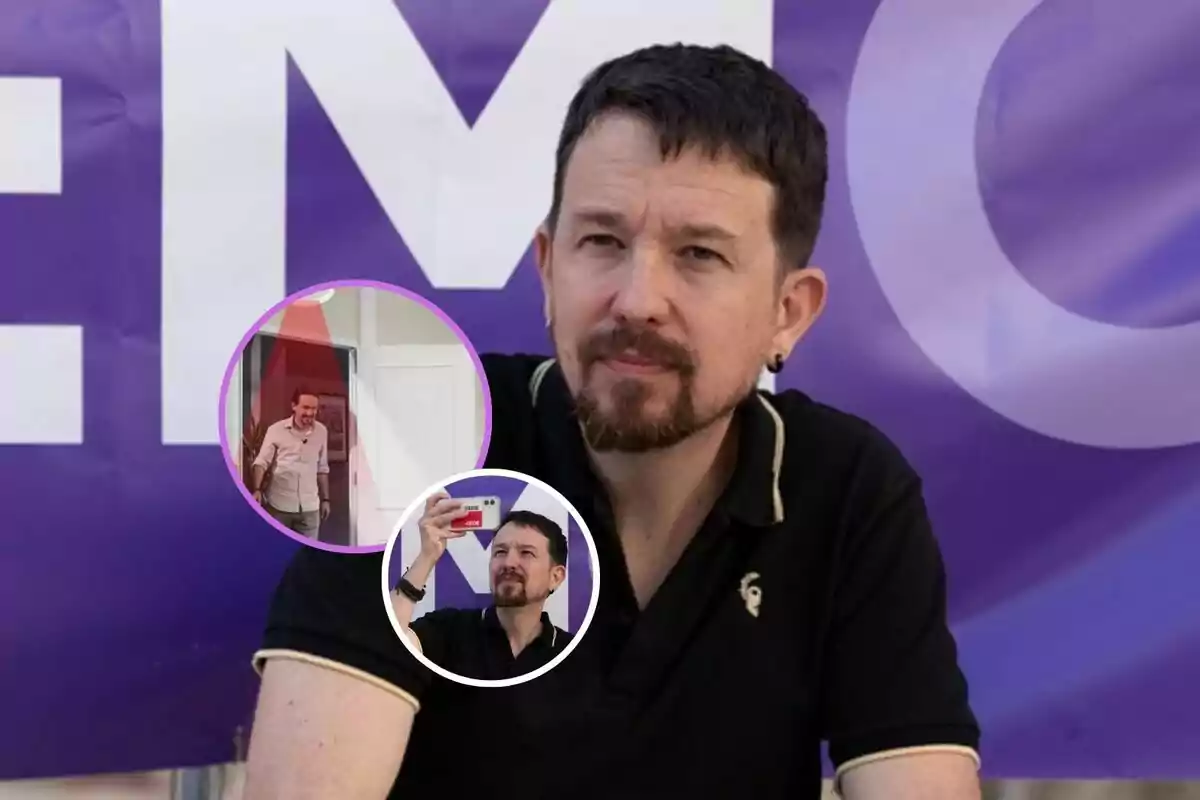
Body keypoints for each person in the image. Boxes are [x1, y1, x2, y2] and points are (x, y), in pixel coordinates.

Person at [244, 43, 982, 800]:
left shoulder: (849, 491)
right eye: (602, 241)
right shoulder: (416, 437)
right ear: (547, 267)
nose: (636, 299)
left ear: (786, 314)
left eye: (698, 254)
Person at [390, 495, 572, 680]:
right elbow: (385, 648)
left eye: (526, 553)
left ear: (555, 577)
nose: (509, 562)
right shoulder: (450, 630)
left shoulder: (575, 654)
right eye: (500, 552)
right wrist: (427, 556)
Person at [250, 387, 331, 539]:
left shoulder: (322, 431)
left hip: (310, 509)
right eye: (306, 407)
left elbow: (322, 468)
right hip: (279, 507)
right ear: (294, 406)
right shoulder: (276, 430)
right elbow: (261, 462)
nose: (310, 413)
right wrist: (257, 489)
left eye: (314, 408)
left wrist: (326, 500)